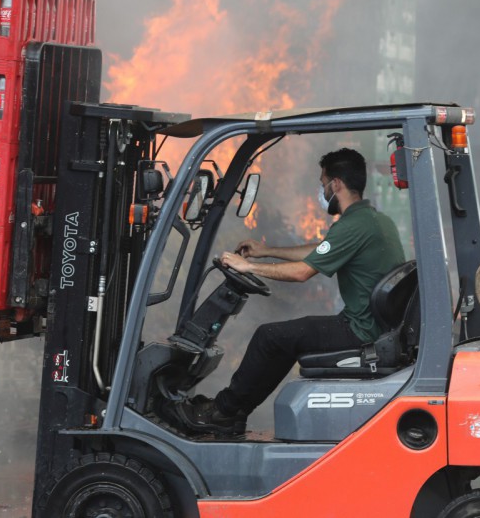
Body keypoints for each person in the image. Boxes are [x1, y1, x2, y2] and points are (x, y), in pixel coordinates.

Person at [173, 148, 406, 437]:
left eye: (322, 184)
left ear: (336, 185)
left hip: (362, 331)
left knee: (269, 337)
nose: (321, 192)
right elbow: (318, 250)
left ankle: (223, 411)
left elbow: (302, 272)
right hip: (373, 326)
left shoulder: (353, 225)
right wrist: (265, 251)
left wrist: (248, 267)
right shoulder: (371, 220)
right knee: (284, 339)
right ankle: (232, 414)